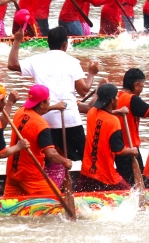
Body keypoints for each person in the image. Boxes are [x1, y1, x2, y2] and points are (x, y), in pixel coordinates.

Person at [7, 25, 97, 178]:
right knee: (83, 158)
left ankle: (50, 184)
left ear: (48, 43)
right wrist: (91, 74)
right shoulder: (72, 62)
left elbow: (12, 64)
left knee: (47, 158)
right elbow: (83, 90)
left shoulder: (36, 60)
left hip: (43, 119)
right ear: (65, 45)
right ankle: (85, 187)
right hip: (69, 119)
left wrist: (17, 41)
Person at [3, 84, 73, 198]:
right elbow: (51, 154)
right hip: (31, 178)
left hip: (12, 174)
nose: (49, 104)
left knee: (8, 209)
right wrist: (65, 162)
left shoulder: (20, 111)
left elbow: (36, 111)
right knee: (57, 205)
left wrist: (54, 107)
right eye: (48, 102)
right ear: (41, 104)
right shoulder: (41, 125)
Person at [77, 83, 140, 192]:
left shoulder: (91, 112)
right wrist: (132, 150)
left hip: (87, 171)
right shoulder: (113, 121)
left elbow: (103, 115)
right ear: (112, 100)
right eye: (116, 97)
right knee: (131, 195)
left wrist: (117, 112)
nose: (117, 99)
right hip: (106, 175)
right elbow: (118, 150)